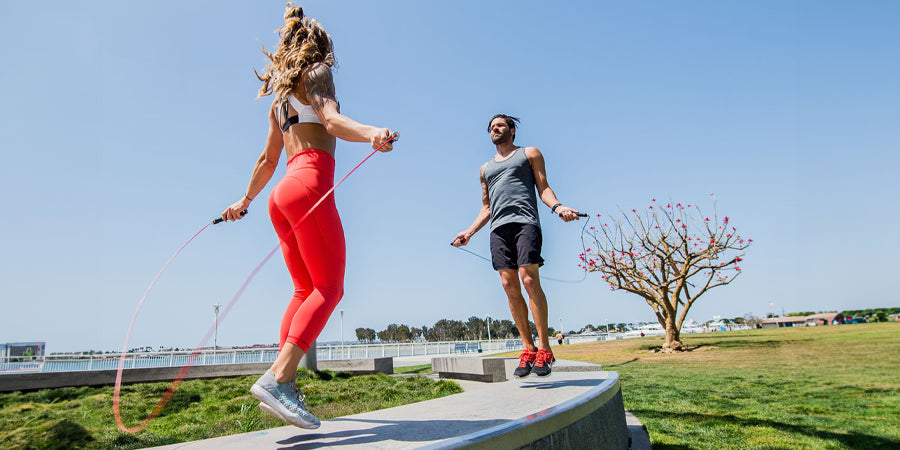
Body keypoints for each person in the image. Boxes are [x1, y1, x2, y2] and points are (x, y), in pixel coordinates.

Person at [221, 3, 394, 429]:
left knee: (304, 290)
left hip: (280, 195)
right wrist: (372, 132)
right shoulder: (317, 73)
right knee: (330, 288)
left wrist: (244, 201)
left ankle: (285, 385)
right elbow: (331, 122)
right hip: (311, 186)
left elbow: (267, 159)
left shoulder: (279, 101)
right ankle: (280, 379)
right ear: (319, 45)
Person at [453, 114, 581, 378]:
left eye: (499, 125)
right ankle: (528, 348)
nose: (494, 130)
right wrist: (469, 232)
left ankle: (545, 348)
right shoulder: (485, 169)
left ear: (511, 130)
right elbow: (487, 207)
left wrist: (558, 207)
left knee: (529, 279)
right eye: (490, 128)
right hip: (498, 229)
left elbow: (544, 188)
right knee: (508, 284)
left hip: (525, 223)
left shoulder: (529, 153)